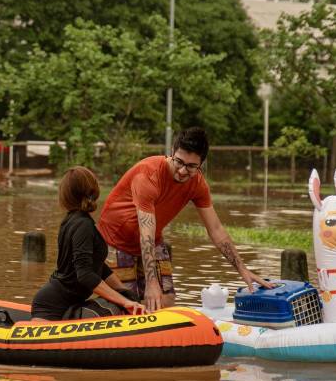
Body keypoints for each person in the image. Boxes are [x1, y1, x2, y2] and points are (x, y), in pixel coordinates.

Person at [98, 127, 274, 312]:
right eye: (179, 162)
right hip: (115, 241)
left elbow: (216, 230)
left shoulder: (198, 184)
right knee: (126, 303)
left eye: (191, 166)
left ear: (201, 164)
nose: (182, 171)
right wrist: (151, 283)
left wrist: (243, 269)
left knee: (166, 300)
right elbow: (146, 233)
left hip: (152, 240)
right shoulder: (148, 175)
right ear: (172, 153)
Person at [31, 166, 147, 321]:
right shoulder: (82, 225)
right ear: (94, 191)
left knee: (123, 298)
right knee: (118, 304)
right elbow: (85, 274)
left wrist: (124, 292)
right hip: (53, 306)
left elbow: (98, 267)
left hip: (66, 302)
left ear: (65, 196)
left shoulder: (74, 221)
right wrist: (124, 302)